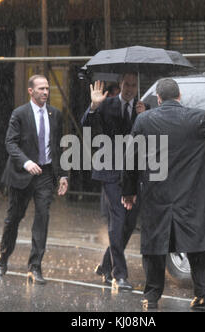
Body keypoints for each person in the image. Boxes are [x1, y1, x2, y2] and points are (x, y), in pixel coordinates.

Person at [121, 78, 205, 309]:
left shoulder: (144, 120)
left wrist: (129, 191)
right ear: (180, 96)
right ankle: (204, 293)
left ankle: (151, 296)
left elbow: (131, 159)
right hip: (191, 196)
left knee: (154, 246)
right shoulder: (197, 119)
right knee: (198, 244)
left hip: (157, 195)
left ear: (159, 99)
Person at [0, 75, 68, 284]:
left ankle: (35, 266)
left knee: (42, 217)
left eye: (47, 89)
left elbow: (58, 147)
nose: (45, 92)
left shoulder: (56, 115)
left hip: (45, 174)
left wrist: (63, 175)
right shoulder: (19, 114)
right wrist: (26, 162)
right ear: (31, 91)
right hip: (21, 174)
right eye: (41, 89)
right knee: (14, 218)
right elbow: (10, 143)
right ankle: (3, 256)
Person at [81, 73, 146, 291]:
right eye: (126, 84)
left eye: (134, 85)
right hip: (110, 171)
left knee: (129, 223)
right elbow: (87, 126)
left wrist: (143, 117)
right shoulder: (106, 104)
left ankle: (106, 265)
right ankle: (120, 275)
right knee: (117, 219)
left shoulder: (142, 108)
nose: (130, 88)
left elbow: (145, 137)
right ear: (120, 85)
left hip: (133, 173)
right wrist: (93, 105)